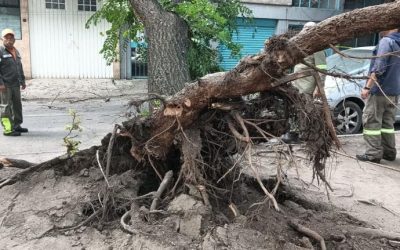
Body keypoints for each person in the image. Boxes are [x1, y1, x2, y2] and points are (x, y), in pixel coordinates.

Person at [356, 28, 400, 163]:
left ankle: (373, 154)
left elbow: (379, 67)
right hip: (394, 92)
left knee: (371, 122)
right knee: (387, 123)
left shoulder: (387, 41)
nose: (381, 29)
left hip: (380, 90)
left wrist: (367, 87)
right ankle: (389, 152)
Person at [282, 21, 327, 143]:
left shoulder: (318, 48)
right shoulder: (302, 45)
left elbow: (322, 69)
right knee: (295, 109)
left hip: (307, 86)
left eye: (308, 29)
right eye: (304, 29)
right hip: (296, 84)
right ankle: (293, 134)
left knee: (305, 111)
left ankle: (305, 136)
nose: (305, 31)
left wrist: (319, 88)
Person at [0, 28, 28, 136]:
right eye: (6, 37)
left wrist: (23, 80)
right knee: (5, 107)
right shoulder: (0, 51)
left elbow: (19, 67)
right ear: (2, 39)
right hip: (5, 85)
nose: (9, 39)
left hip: (16, 84)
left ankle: (17, 125)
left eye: (11, 37)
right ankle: (8, 129)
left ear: (14, 39)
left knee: (17, 105)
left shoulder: (16, 51)